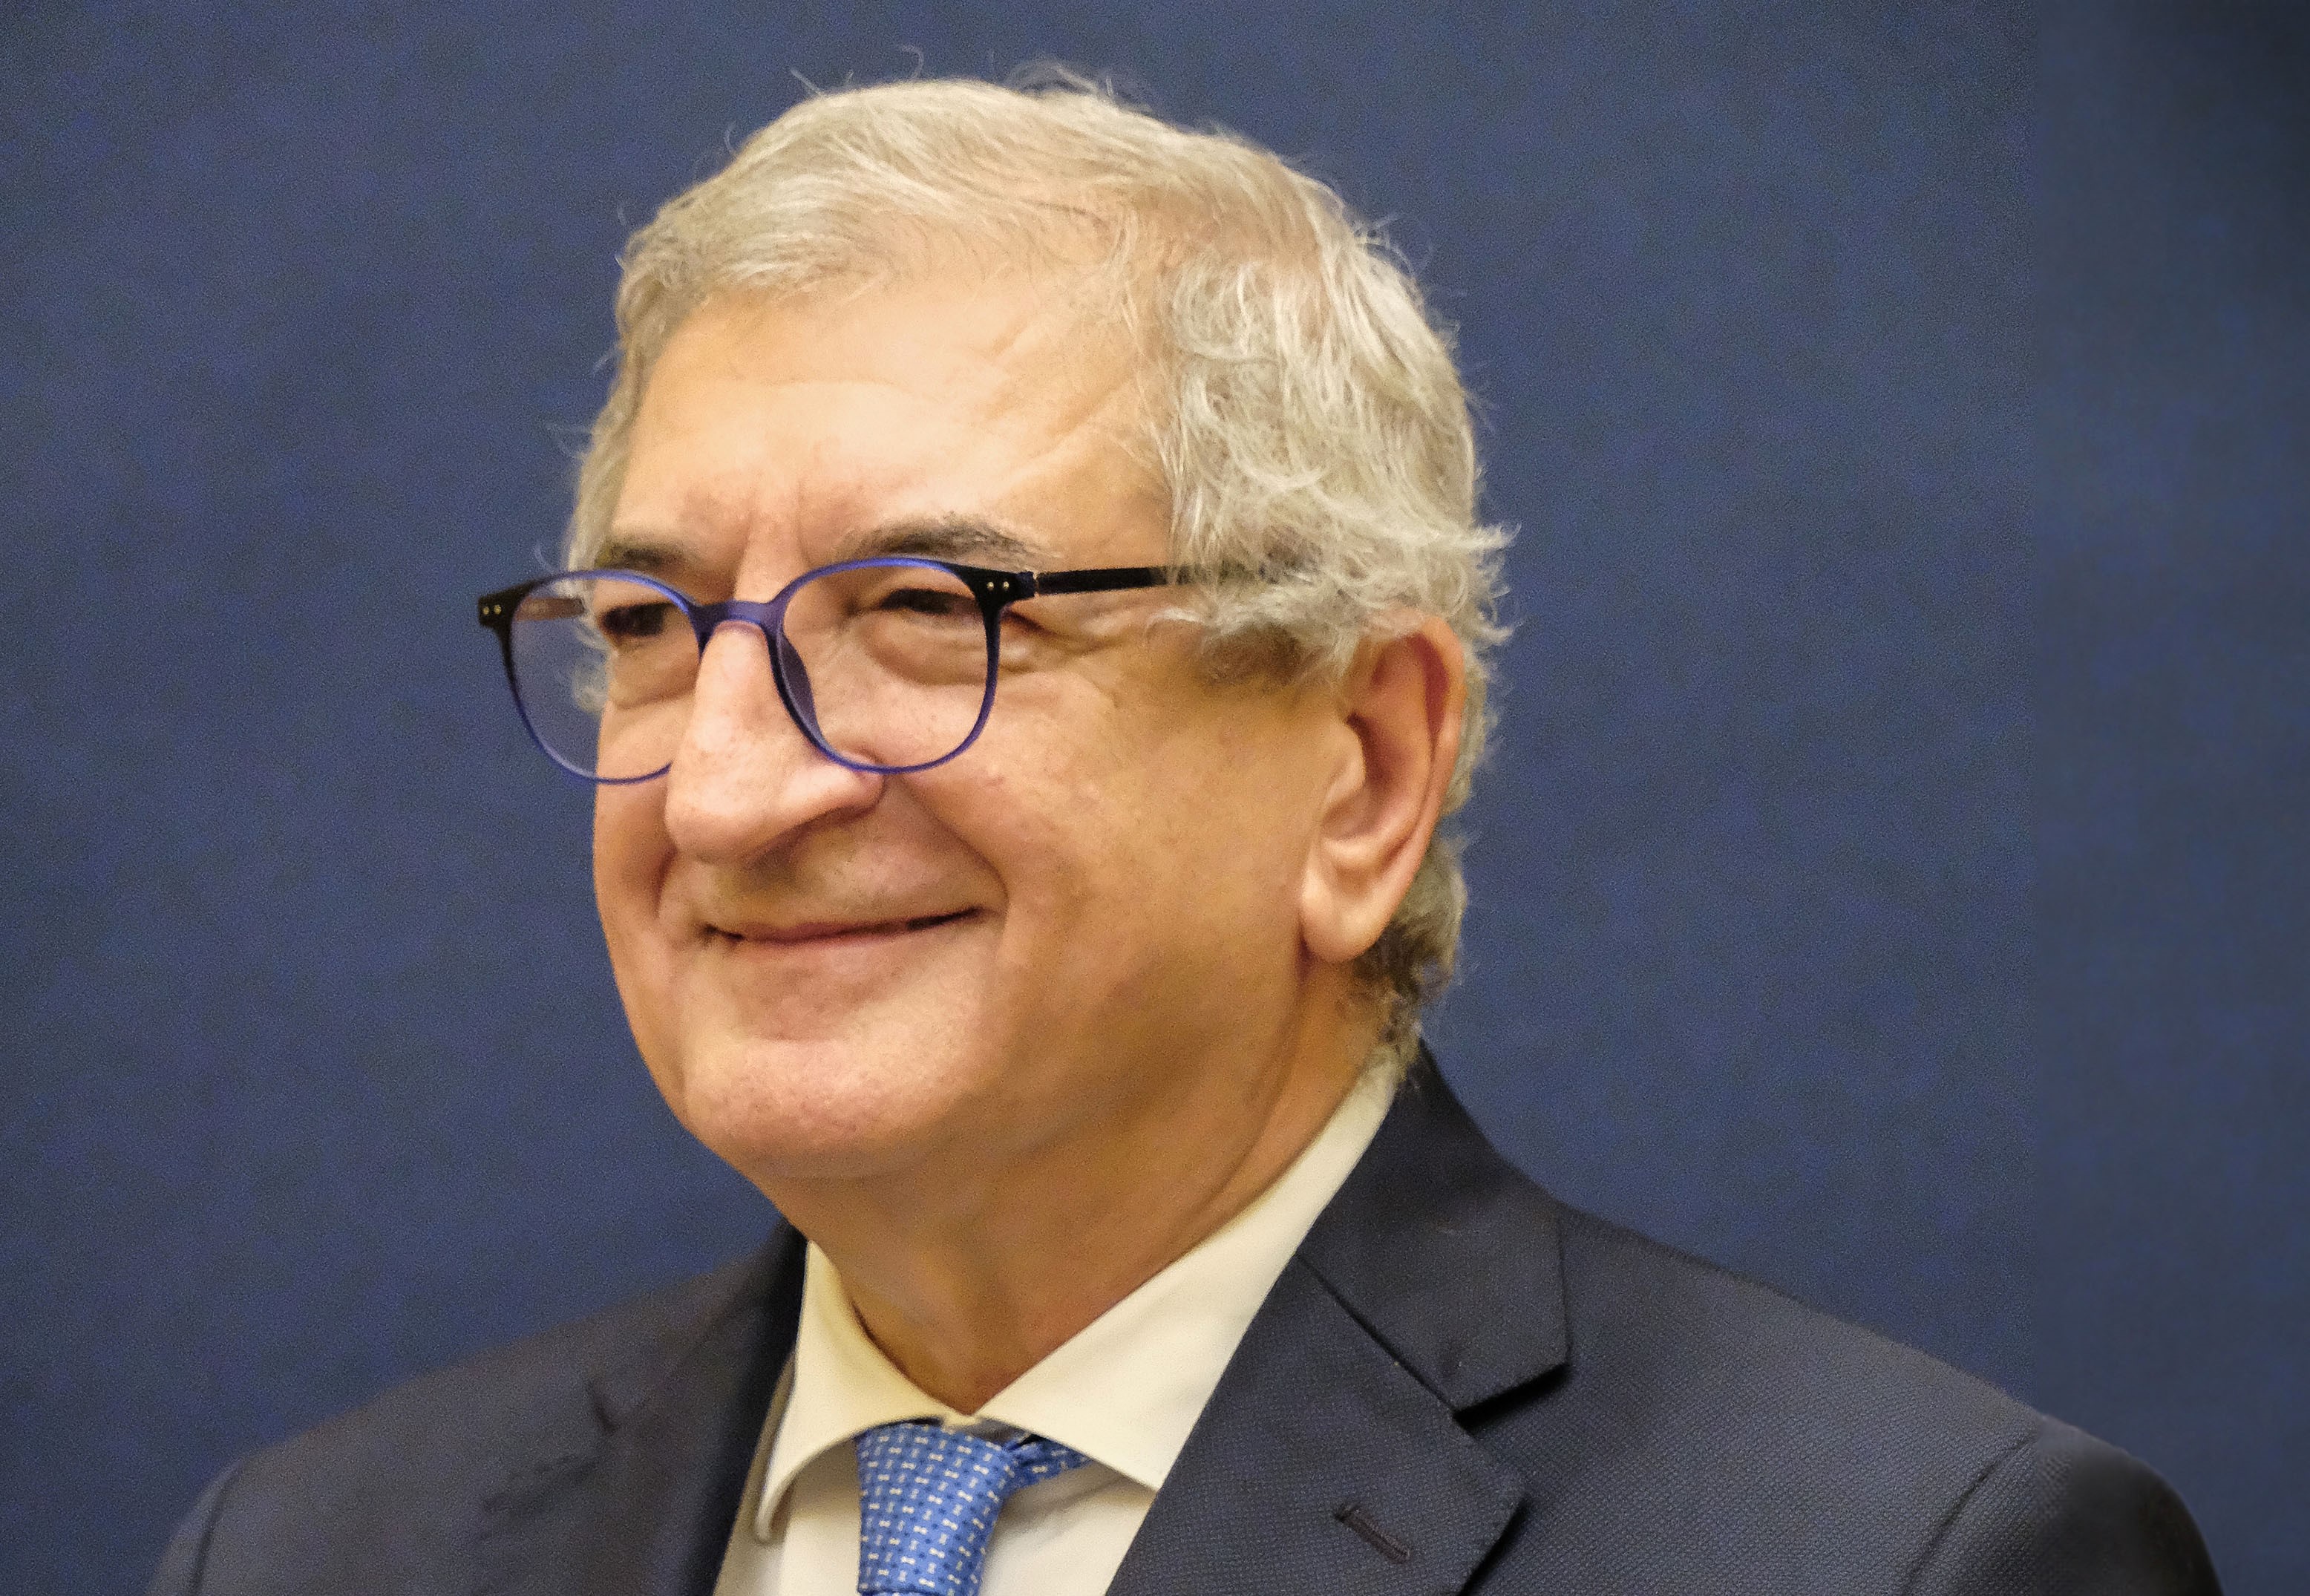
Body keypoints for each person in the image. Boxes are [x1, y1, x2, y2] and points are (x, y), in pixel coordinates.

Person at [151, 75, 2219, 1596]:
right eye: (652, 630)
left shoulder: (1898, 1559)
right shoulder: (317, 1553)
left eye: (930, 613)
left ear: (1362, 771)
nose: (726, 792)